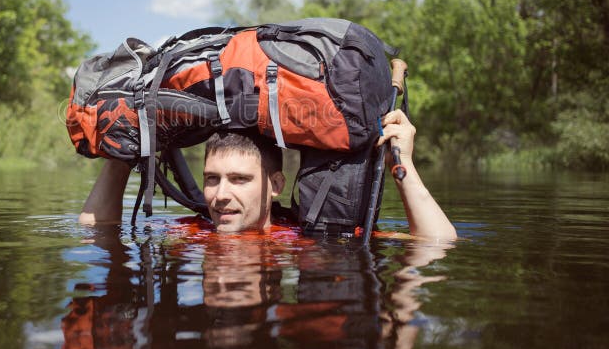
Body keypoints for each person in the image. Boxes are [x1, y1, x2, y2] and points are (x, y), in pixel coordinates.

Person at [79, 110, 457, 241]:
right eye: (212, 179)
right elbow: (94, 229)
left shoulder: (304, 237)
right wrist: (120, 153)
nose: (220, 195)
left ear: (275, 186)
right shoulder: (191, 232)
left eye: (239, 179)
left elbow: (438, 243)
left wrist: (402, 164)